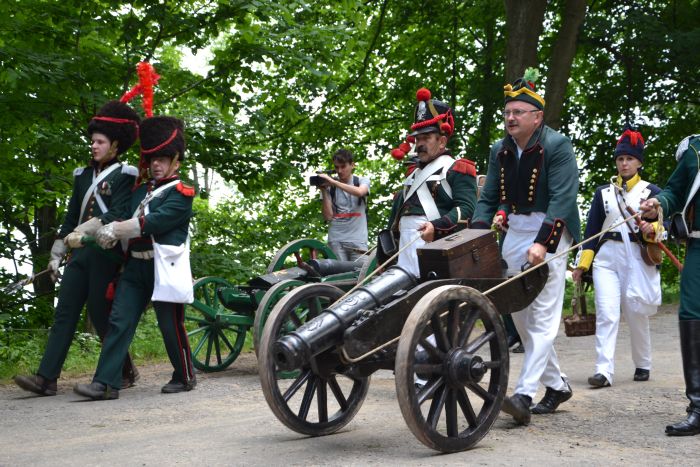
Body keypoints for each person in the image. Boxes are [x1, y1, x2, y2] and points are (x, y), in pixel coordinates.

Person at [471, 69, 580, 425]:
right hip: (515, 231)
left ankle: (523, 394)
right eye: (507, 112)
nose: (511, 118)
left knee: (543, 317)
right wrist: (474, 239)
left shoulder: (557, 145)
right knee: (519, 313)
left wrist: (544, 245)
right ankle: (557, 385)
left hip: (551, 229)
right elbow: (488, 198)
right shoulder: (499, 150)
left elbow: (564, 198)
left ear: (537, 116)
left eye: (518, 112)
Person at [14, 101, 141, 396]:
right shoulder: (81, 175)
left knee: (100, 314)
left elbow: (120, 213)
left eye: (100, 142)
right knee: (65, 313)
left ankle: (121, 369)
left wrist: (84, 232)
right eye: (93, 141)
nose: (94, 146)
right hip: (79, 254)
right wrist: (58, 251)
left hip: (105, 252)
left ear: (115, 145)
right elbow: (72, 216)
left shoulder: (126, 174)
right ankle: (46, 379)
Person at [73, 116, 196, 400]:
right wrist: (87, 231)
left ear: (175, 161)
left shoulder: (181, 193)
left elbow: (152, 222)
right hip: (135, 266)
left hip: (163, 265)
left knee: (169, 324)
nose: (156, 164)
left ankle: (184, 375)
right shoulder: (140, 190)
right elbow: (118, 214)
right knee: (119, 320)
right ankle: (106, 383)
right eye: (152, 158)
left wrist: (114, 229)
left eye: (162, 159)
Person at [572, 126, 661, 389]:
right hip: (606, 259)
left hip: (636, 256)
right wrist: (582, 265)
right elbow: (592, 232)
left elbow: (663, 230)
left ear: (638, 162)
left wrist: (652, 229)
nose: (624, 163)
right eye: (620, 159)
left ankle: (643, 363)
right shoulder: (604, 193)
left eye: (629, 158)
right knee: (607, 314)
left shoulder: (651, 192)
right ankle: (603, 371)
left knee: (636, 312)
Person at [640, 134, 700, 436]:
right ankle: (698, 407)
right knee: (691, 313)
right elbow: (674, 191)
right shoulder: (694, 150)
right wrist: (657, 203)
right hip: (699, 246)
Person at [386, 88, 477, 277]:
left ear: (442, 141)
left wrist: (437, 226)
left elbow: (466, 209)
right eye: (418, 138)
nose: (420, 144)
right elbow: (395, 217)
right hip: (405, 247)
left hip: (435, 246)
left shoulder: (457, 169)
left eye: (426, 138)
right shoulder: (412, 174)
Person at [318, 149, 370, 262]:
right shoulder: (330, 186)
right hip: (336, 240)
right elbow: (328, 216)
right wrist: (324, 191)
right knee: (339, 276)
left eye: (343, 166)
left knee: (362, 275)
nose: (340, 171)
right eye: (336, 167)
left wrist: (334, 182)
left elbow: (360, 192)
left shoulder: (361, 180)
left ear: (352, 165)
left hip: (358, 240)